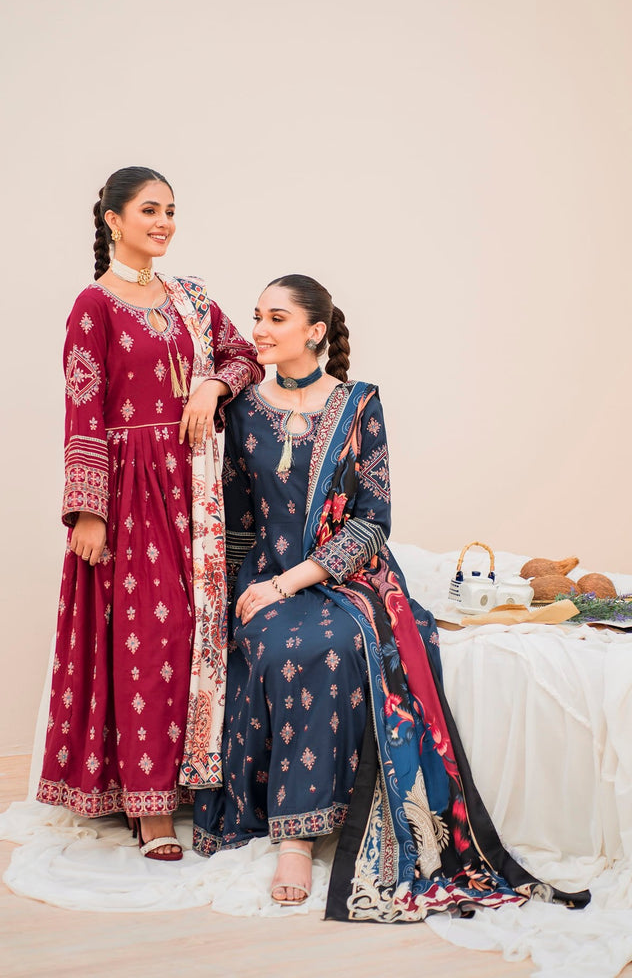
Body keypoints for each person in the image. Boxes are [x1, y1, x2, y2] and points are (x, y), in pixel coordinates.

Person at [193, 274, 590, 916]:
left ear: (315, 332)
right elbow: (238, 518)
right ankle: (285, 823)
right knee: (272, 645)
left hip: (350, 576)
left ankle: (298, 839)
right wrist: (233, 593)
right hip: (264, 571)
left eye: (275, 318)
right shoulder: (241, 410)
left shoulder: (360, 404)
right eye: (257, 316)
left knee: (326, 647)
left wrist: (291, 581)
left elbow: (372, 521)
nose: (258, 330)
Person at [36, 166, 263, 860]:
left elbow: (244, 355)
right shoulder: (93, 305)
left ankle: (188, 782)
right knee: (150, 635)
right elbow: (83, 407)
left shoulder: (190, 296)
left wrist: (211, 386)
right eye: (148, 210)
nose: (163, 222)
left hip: (197, 486)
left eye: (170, 210)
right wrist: (88, 510)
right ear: (113, 220)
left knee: (198, 629)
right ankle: (149, 805)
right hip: (130, 489)